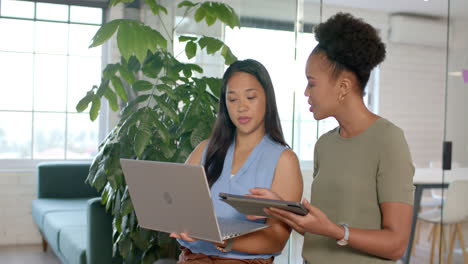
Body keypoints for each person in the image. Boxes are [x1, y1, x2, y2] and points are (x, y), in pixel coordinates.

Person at [248, 13, 415, 264]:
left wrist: (335, 231)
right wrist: (282, 208)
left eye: (311, 83)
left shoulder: (388, 140)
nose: (306, 92)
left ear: (344, 87)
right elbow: (319, 229)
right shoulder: (324, 145)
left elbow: (396, 245)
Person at [170, 59, 304, 263]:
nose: (241, 107)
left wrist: (223, 240)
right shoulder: (204, 150)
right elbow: (176, 207)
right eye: (232, 100)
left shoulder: (284, 160)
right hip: (193, 258)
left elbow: (276, 240)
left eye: (250, 97)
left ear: (267, 99)